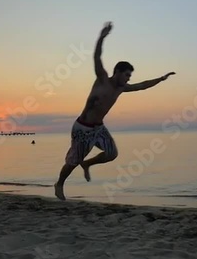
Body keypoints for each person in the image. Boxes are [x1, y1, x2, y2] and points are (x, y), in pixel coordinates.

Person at [54, 22, 176, 200]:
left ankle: (87, 164)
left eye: (129, 76)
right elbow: (97, 57)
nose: (128, 79)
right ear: (117, 72)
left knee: (112, 153)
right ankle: (59, 184)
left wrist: (161, 79)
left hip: (98, 128)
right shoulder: (102, 80)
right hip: (83, 128)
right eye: (126, 75)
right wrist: (102, 37)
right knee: (72, 163)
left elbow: (142, 86)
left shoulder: (121, 88)